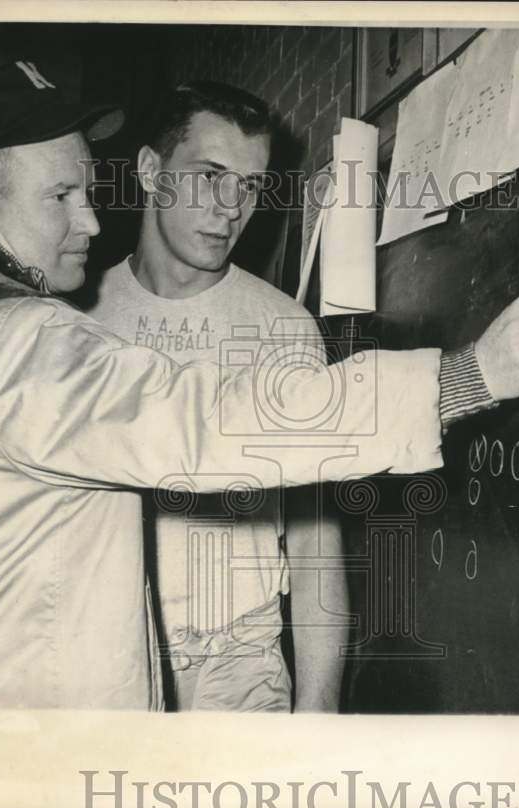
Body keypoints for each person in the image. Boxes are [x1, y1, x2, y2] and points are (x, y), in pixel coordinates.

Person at [0, 60, 519, 710]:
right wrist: (468, 376)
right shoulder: (14, 339)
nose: (91, 222)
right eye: (60, 197)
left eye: (87, 191)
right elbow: (208, 425)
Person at [87, 82, 349, 713]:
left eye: (251, 186)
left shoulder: (284, 328)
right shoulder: (77, 319)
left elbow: (315, 547)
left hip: (240, 667)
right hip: (106, 660)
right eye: (210, 176)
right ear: (152, 172)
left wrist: (318, 715)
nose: (231, 207)